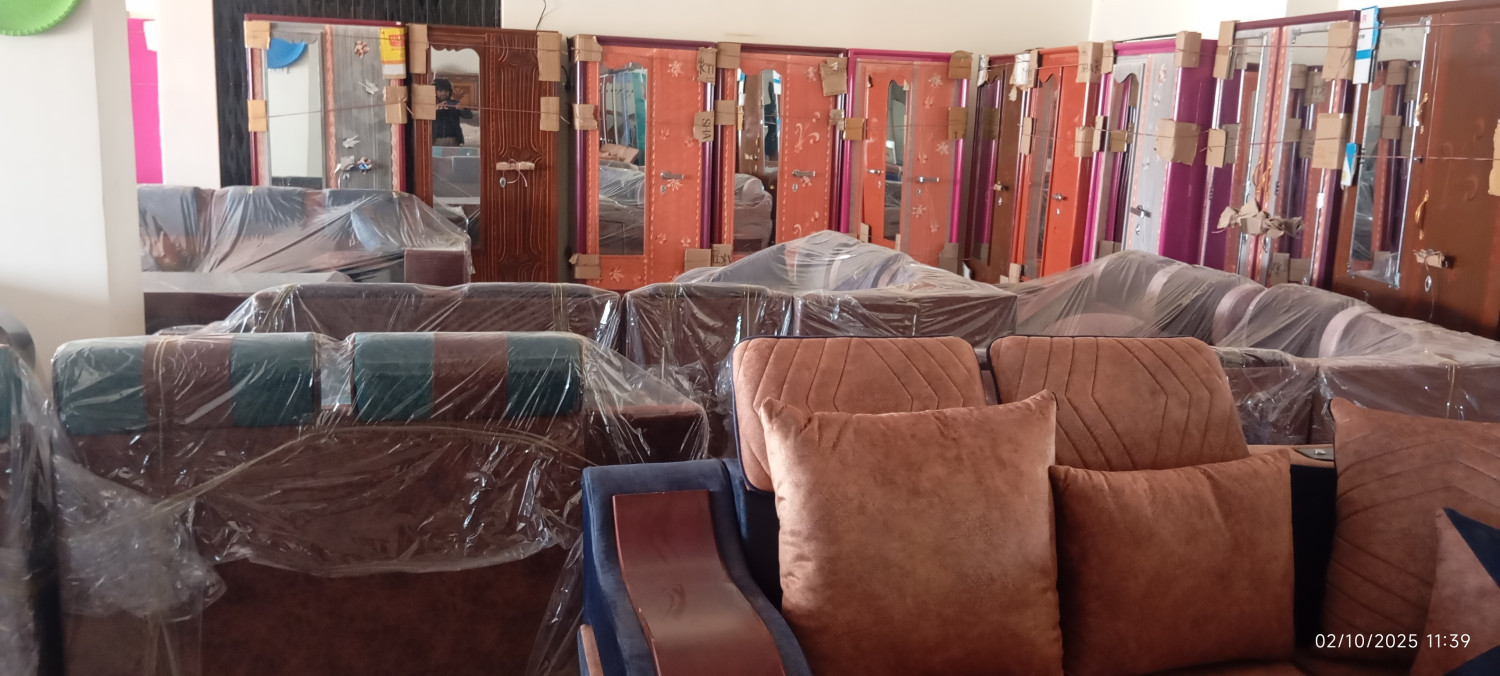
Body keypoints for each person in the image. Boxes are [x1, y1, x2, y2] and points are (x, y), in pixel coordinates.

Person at [432, 78, 474, 147]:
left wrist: (462, 109)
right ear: (435, 91)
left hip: (454, 139)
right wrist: (436, 108)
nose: (443, 93)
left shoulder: (455, 103)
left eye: (446, 91)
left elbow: (469, 116)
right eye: (440, 91)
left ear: (450, 92)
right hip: (436, 139)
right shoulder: (431, 104)